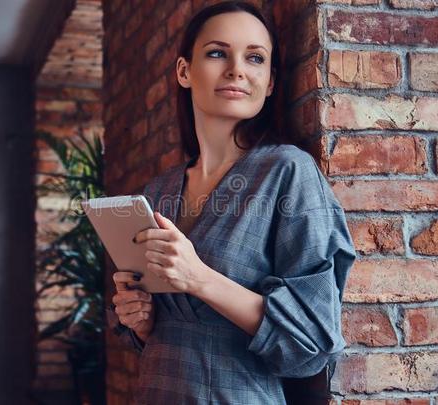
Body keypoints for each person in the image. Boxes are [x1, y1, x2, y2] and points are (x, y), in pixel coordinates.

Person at [108, 1, 357, 403]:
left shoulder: (287, 173)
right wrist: (141, 321)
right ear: (184, 71)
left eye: (255, 57)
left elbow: (313, 344)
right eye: (217, 53)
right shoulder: (156, 193)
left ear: (271, 81)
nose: (237, 69)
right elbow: (155, 336)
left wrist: (199, 278)